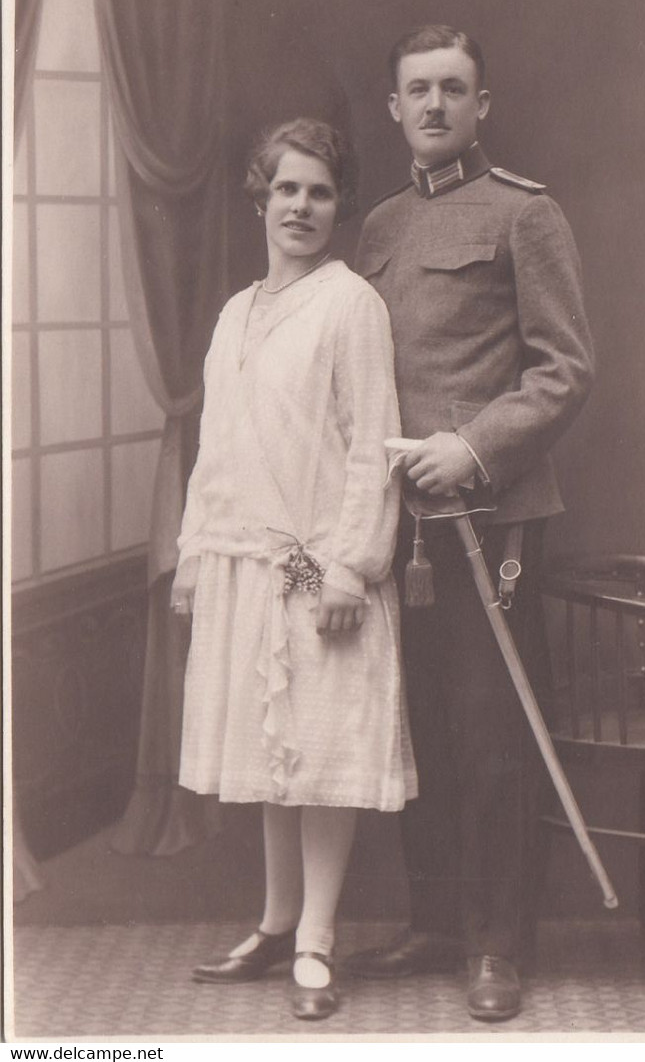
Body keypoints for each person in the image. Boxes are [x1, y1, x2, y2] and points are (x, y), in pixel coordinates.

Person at [346, 24, 595, 1021]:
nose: (437, 104)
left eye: (455, 87)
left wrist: (475, 448)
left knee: (489, 730)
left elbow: (564, 368)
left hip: (491, 521)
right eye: (420, 89)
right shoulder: (376, 228)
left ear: (481, 104)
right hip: (393, 528)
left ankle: (498, 944)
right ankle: (438, 919)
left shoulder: (525, 215)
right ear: (396, 107)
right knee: (415, 728)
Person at [170, 117, 417, 1021]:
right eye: (286, 188)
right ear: (261, 196)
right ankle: (274, 924)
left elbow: (369, 448)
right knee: (273, 752)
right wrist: (197, 551)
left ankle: (316, 939)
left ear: (338, 204)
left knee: (318, 750)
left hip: (317, 568)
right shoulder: (239, 311)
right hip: (247, 564)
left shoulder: (350, 303)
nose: (301, 206)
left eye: (318, 191)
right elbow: (217, 445)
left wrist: (350, 568)